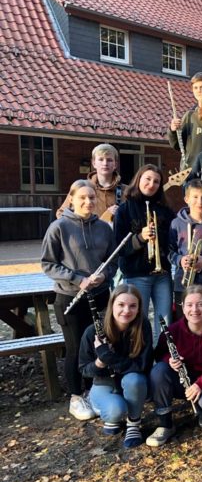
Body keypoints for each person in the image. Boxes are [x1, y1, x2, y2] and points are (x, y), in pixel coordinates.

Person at [42, 180, 117, 421]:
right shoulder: (59, 227)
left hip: (100, 295)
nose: (88, 202)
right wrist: (76, 279)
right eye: (82, 198)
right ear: (71, 199)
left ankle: (95, 388)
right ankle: (76, 396)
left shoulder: (105, 228)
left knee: (98, 341)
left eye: (92, 198)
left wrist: (105, 274)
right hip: (70, 297)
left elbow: (113, 261)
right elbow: (48, 264)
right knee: (75, 347)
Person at [147, 285, 202, 446]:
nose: (194, 309)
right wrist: (169, 360)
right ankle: (165, 424)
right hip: (183, 382)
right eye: (189, 305)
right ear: (182, 307)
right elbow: (160, 354)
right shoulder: (172, 330)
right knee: (158, 371)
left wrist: (201, 383)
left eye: (200, 304)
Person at [78, 284, 153, 448]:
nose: (127, 310)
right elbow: (84, 370)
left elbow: (142, 366)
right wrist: (100, 361)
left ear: (139, 308)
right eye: (121, 305)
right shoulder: (93, 331)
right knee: (115, 411)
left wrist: (108, 356)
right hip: (103, 382)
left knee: (136, 380)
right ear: (112, 305)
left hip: (130, 379)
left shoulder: (143, 327)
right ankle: (103, 406)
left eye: (133, 306)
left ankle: (133, 423)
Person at [114, 164, 175, 342]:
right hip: (136, 274)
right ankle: (141, 357)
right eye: (147, 179)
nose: (151, 184)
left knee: (164, 320)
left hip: (162, 273)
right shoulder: (124, 210)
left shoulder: (165, 210)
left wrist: (159, 236)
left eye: (156, 181)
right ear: (138, 179)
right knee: (137, 320)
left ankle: (161, 358)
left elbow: (172, 241)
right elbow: (119, 247)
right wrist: (140, 237)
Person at [169, 179, 202, 318]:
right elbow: (169, 250)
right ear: (186, 199)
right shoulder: (176, 223)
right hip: (183, 283)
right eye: (195, 197)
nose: (200, 201)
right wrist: (180, 260)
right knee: (183, 322)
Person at [56, 143, 125, 224]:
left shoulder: (126, 191)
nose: (105, 163)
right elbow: (61, 214)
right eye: (101, 159)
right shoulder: (81, 188)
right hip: (86, 235)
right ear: (94, 163)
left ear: (115, 164)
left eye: (109, 160)